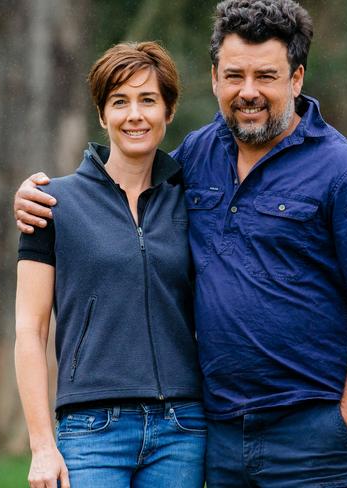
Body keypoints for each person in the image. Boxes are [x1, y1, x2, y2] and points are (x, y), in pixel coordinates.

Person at [14, 1, 347, 486]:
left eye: (266, 76)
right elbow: (128, 182)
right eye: (234, 75)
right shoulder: (197, 156)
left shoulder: (346, 173)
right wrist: (36, 195)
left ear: (297, 78)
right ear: (215, 77)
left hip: (313, 432)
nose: (248, 92)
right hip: (220, 436)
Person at [14, 41, 206, 488]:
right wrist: (42, 445)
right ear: (102, 115)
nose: (134, 115)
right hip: (91, 429)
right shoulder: (51, 204)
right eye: (119, 101)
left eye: (148, 100)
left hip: (183, 428)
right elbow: (30, 329)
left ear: (169, 111)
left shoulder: (195, 202)